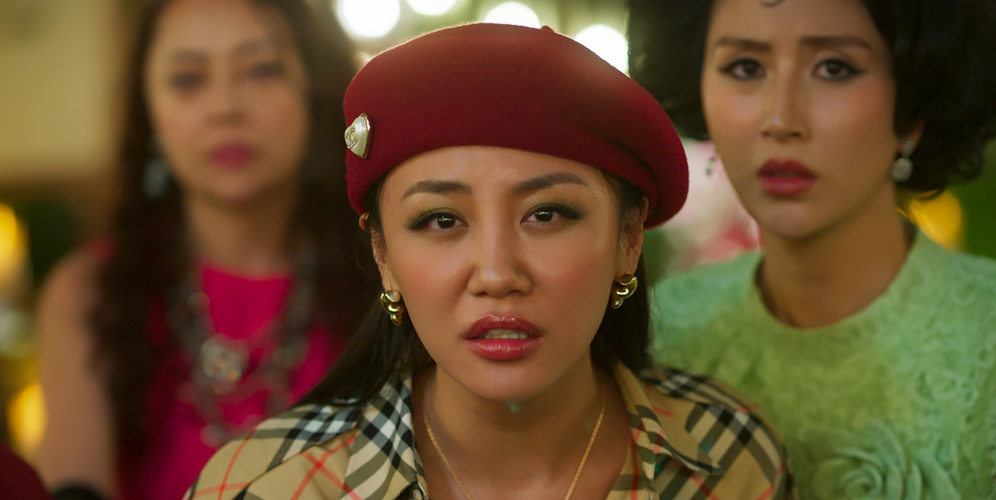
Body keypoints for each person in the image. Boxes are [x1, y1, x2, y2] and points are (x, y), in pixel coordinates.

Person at [186, 23, 796, 500]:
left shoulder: (729, 459)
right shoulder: (268, 485)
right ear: (383, 255)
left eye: (546, 214)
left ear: (628, 237)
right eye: (441, 221)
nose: (498, 275)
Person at [626, 0, 996, 497]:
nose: (781, 119)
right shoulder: (661, 331)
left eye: (834, 68)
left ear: (914, 105)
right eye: (746, 67)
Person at [34, 0, 374, 499]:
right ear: (149, 111)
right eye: (188, 79)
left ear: (316, 90)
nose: (225, 107)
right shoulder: (88, 293)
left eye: (261, 70)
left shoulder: (384, 277)